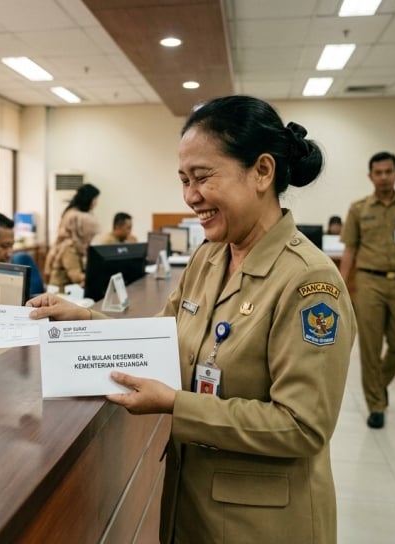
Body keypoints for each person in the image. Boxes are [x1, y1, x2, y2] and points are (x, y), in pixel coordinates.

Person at [28, 95, 355, 543]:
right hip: (193, 503)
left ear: (262, 171)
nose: (190, 196)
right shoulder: (209, 257)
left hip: (262, 523)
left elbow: (302, 426)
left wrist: (176, 405)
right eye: (184, 180)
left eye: (202, 177)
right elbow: (162, 338)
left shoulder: (308, 281)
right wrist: (85, 318)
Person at [338, 151, 395, 430]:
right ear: (370, 176)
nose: (383, 177)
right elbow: (349, 250)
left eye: (388, 172)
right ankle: (376, 405)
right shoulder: (358, 209)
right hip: (369, 282)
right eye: (378, 173)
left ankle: (378, 384)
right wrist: (339, 287)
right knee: (370, 347)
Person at [44, 209, 99, 290]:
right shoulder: (69, 248)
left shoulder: (79, 246)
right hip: (60, 292)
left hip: (71, 290)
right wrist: (97, 277)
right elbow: (76, 276)